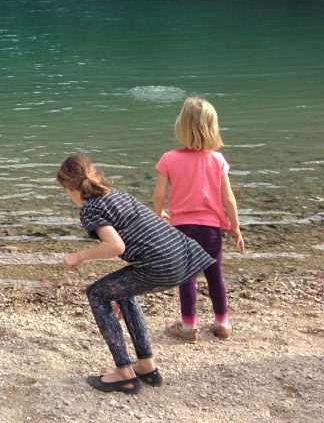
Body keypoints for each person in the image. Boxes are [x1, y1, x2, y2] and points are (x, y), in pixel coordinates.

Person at [58, 154, 215, 394]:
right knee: (121, 291)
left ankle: (124, 374)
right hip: (186, 255)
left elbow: (116, 246)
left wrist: (78, 256)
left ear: (69, 188)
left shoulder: (90, 209)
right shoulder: (118, 195)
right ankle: (146, 367)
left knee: (96, 294)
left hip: (161, 265)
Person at [153, 97, 245, 342]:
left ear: (181, 126)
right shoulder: (217, 160)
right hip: (211, 229)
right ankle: (222, 323)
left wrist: (158, 213)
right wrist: (235, 226)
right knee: (215, 275)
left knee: (187, 276)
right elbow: (228, 197)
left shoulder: (169, 158)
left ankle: (188, 326)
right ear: (212, 128)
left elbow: (159, 194)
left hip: (182, 229)